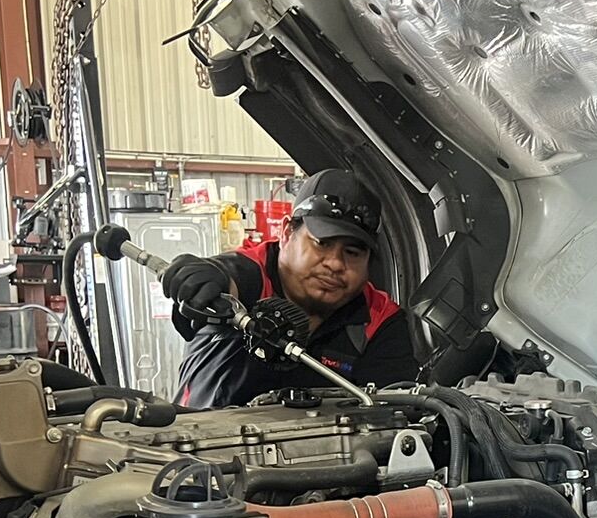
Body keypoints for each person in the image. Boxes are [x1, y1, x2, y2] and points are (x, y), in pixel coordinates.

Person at [159, 169, 420, 408]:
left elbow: (395, 410)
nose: (335, 264)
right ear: (286, 232)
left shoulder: (379, 320)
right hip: (199, 448)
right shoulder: (251, 275)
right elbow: (230, 277)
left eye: (352, 252)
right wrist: (205, 278)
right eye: (322, 243)